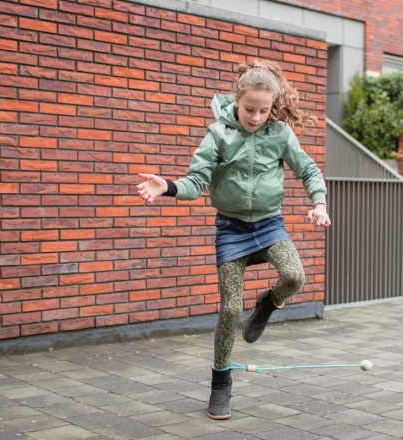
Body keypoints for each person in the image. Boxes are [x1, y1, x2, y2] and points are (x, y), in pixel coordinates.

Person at [136, 60, 331, 420]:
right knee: (228, 310)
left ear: (273, 106)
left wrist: (318, 202)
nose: (256, 117)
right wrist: (167, 187)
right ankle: (220, 385)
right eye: (248, 109)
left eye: (264, 110)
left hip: (270, 224)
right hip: (231, 230)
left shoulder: (280, 133)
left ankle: (267, 304)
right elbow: (196, 183)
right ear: (236, 101)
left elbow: (307, 169)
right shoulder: (218, 134)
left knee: (294, 277)